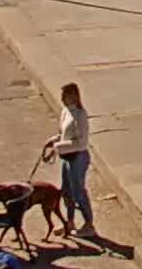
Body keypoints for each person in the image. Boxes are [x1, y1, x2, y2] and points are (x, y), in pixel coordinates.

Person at [43, 82, 97, 238]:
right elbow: (63, 134)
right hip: (67, 157)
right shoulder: (66, 111)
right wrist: (53, 141)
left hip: (78, 157)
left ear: (73, 96)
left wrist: (57, 147)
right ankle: (70, 222)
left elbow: (81, 143)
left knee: (78, 192)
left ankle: (89, 224)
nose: (62, 99)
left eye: (64, 96)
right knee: (66, 192)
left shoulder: (80, 115)